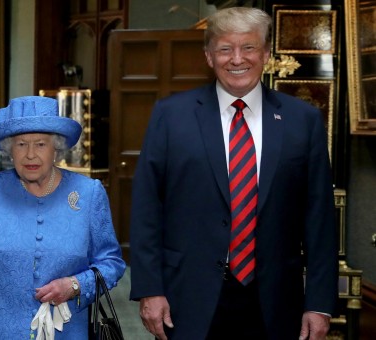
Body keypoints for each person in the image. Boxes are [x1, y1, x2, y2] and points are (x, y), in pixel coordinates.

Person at [129, 7, 337, 340]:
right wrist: (149, 289)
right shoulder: (171, 116)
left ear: (266, 54)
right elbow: (146, 209)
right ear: (209, 56)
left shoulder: (304, 120)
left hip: (276, 301)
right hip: (188, 297)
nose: (236, 59)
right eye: (225, 49)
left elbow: (320, 219)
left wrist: (320, 303)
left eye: (248, 47)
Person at [0, 96, 126, 339]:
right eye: (21, 144)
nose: (30, 155)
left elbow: (112, 263)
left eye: (40, 144)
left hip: (67, 332)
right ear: (9, 150)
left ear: (56, 148)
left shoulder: (89, 194)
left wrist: (76, 285)